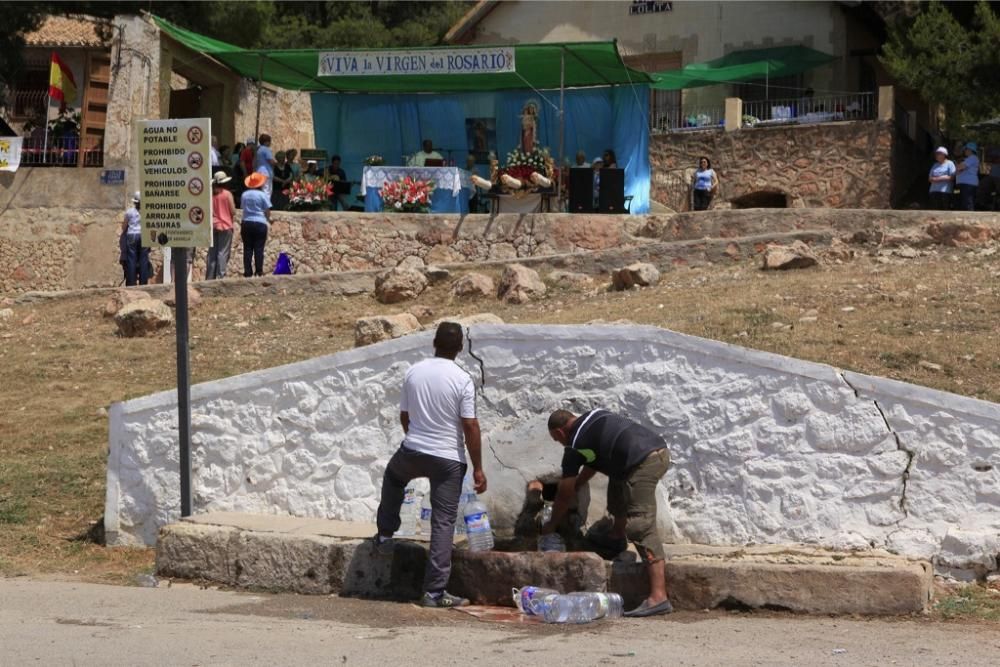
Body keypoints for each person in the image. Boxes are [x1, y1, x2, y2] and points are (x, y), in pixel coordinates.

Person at [373, 322, 486, 608]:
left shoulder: (414, 371)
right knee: (443, 521)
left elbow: (404, 416)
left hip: (413, 450)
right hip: (448, 459)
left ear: (433, 342)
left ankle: (385, 534)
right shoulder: (462, 379)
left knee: (394, 478)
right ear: (461, 348)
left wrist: (415, 438)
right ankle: (434, 592)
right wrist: (478, 468)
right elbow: (470, 425)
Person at [543, 409, 673, 617]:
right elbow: (593, 463)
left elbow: (564, 494)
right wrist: (579, 483)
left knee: (640, 526)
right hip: (658, 451)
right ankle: (615, 537)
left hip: (642, 462)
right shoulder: (595, 416)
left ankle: (658, 597)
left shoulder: (574, 444)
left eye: (556, 440)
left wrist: (551, 524)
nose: (560, 444)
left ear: (559, 432)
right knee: (617, 479)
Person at [240, 172, 272, 277]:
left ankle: (248, 272)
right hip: (260, 222)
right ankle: (259, 271)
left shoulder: (244, 195)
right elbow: (267, 210)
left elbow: (242, 207)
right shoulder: (262, 195)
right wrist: (267, 220)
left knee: (247, 248)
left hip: (246, 222)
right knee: (259, 248)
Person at [206, 171, 236, 279]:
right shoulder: (227, 194)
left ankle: (209, 277)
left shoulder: (210, 194)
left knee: (212, 253)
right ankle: (220, 276)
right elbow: (233, 211)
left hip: (213, 226)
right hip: (225, 225)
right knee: (222, 253)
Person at [120, 191, 150, 286]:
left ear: (135, 202)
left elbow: (124, 227)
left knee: (131, 260)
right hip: (144, 235)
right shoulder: (147, 211)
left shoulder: (129, 212)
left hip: (132, 235)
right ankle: (143, 283)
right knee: (144, 260)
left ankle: (131, 283)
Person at [955, 142, 979, 211]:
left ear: (970, 150)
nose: (964, 151)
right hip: (966, 184)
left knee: (968, 203)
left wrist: (958, 167)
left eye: (965, 149)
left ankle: (971, 219)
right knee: (964, 203)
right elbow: (957, 171)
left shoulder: (973, 157)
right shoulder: (968, 159)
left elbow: (959, 168)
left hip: (968, 184)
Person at [254, 133, 277, 197]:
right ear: (266, 142)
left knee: (263, 189)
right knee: (267, 190)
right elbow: (270, 161)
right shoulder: (266, 149)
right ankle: (266, 205)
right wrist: (276, 163)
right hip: (266, 172)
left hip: (259, 171)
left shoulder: (258, 150)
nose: (270, 143)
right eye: (269, 141)